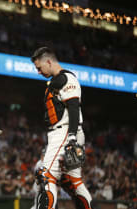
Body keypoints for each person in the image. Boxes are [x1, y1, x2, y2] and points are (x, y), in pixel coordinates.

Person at [31, 47, 93, 209]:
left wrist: (72, 136)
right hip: (63, 133)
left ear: (49, 62)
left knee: (46, 175)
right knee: (72, 182)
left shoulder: (67, 78)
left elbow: (73, 107)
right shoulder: (57, 80)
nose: (38, 71)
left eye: (39, 68)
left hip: (65, 131)